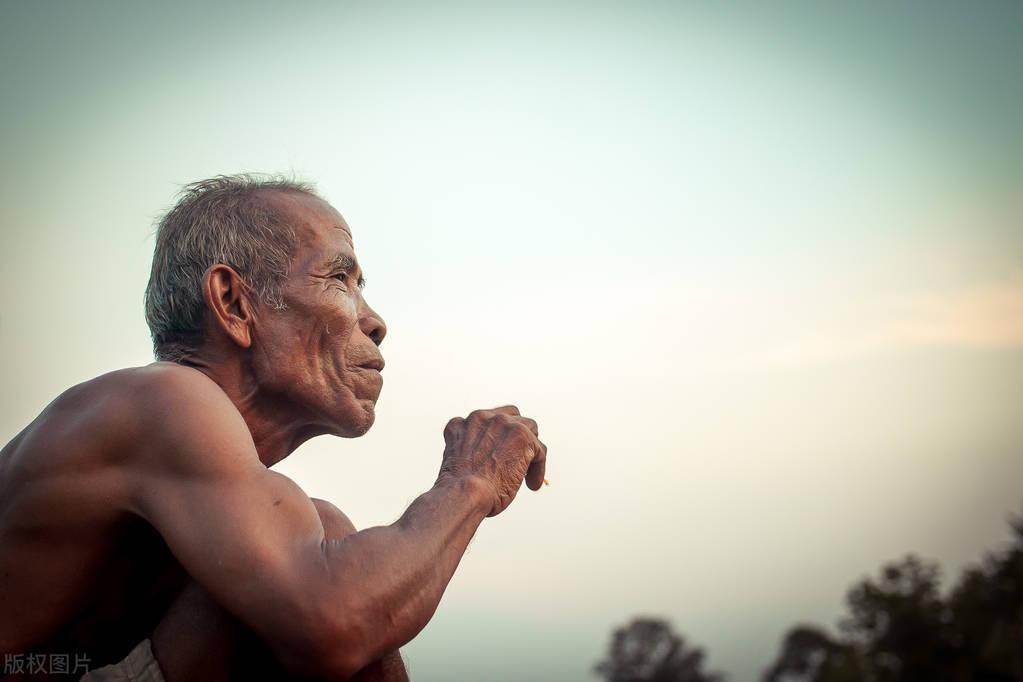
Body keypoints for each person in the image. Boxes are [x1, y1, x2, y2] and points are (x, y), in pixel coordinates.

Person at [0, 175, 548, 681]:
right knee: (326, 557)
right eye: (340, 278)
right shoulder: (161, 399)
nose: (375, 322)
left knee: (318, 540)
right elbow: (333, 623)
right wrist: (469, 483)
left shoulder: (188, 461)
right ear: (234, 303)